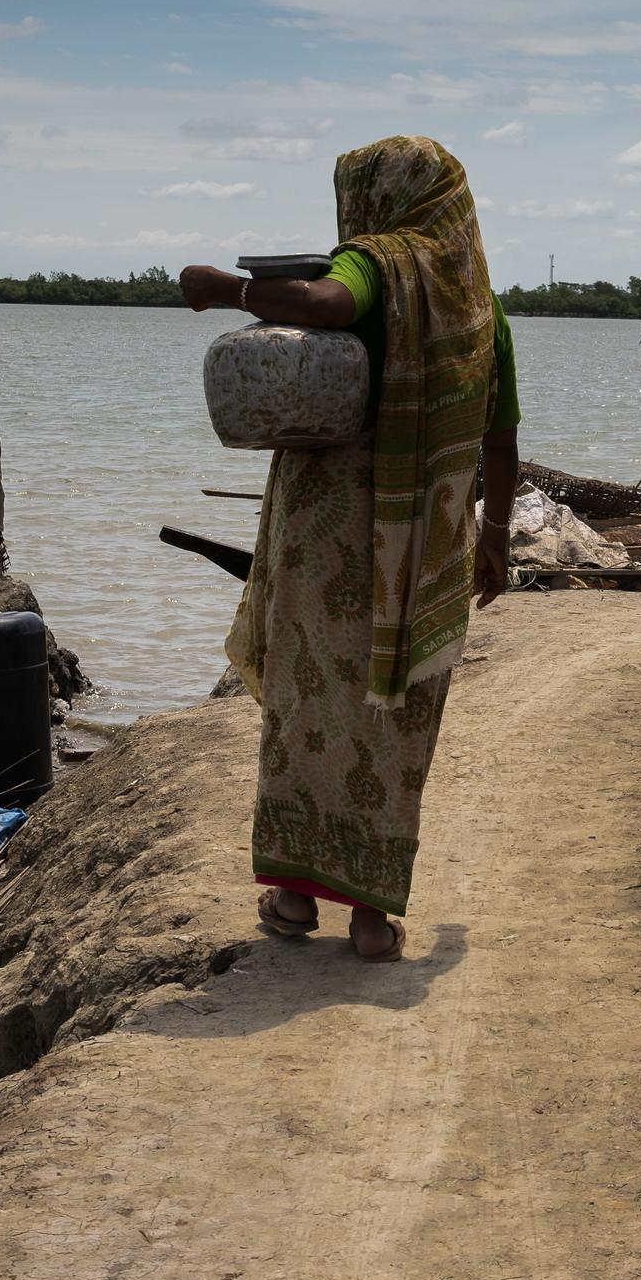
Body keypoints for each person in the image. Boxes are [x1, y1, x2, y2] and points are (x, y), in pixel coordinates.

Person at [178, 136, 521, 961]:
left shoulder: (375, 264)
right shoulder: (478, 307)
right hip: (425, 545)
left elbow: (327, 304)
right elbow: (501, 442)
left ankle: (295, 895)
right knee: (390, 717)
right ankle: (371, 916)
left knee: (308, 704)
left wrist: (229, 290)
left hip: (323, 537)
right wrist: (496, 540)